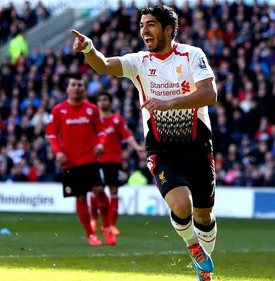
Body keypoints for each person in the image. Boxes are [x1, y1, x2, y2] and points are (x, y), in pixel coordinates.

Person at [71, 5, 217, 281]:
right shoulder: (139, 62)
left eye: (150, 24)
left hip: (198, 147)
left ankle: (203, 265)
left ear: (168, 29)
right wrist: (89, 48)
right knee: (181, 205)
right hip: (162, 149)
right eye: (141, 25)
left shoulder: (192, 55)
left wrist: (168, 102)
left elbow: (209, 94)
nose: (144, 31)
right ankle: (193, 248)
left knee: (204, 216)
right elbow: (103, 65)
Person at [45, 73, 116, 246]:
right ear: (68, 89)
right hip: (70, 161)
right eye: (73, 85)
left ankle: (106, 226)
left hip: (90, 158)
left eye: (80, 85)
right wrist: (58, 152)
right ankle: (91, 234)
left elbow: (101, 131)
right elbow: (51, 133)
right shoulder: (58, 110)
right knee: (81, 198)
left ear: (84, 89)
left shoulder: (92, 109)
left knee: (99, 190)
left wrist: (101, 144)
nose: (76, 88)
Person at [90, 91, 144, 236]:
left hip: (114, 160)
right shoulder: (93, 121)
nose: (103, 102)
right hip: (96, 160)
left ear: (110, 102)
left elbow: (127, 137)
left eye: (105, 99)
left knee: (114, 191)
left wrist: (138, 148)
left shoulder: (117, 119)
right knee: (96, 190)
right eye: (100, 100)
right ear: (97, 103)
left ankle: (111, 225)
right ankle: (94, 219)